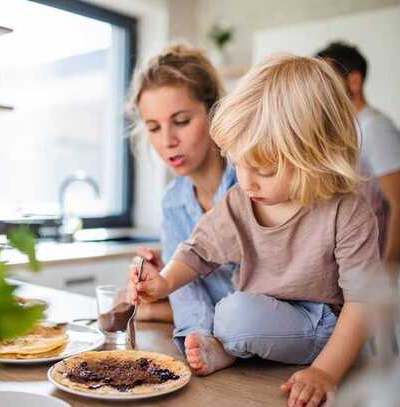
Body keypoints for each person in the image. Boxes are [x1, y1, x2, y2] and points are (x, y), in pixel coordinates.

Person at [129, 54, 383, 407]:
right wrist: (165, 282)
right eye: (239, 164)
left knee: (236, 315)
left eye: (262, 170)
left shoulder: (348, 212)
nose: (246, 182)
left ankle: (235, 348)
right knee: (235, 313)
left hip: (323, 327)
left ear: (314, 155)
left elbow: (363, 303)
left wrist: (325, 371)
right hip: (264, 320)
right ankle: (232, 350)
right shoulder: (241, 199)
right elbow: (198, 250)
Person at [127, 44, 237, 349]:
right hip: (223, 356)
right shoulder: (173, 202)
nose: (167, 141)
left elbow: (260, 309)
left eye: (181, 121)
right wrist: (159, 287)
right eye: (153, 127)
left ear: (214, 111)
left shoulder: (253, 182)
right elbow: (190, 298)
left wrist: (157, 310)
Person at [316, 42, 400, 263]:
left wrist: (387, 276)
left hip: (371, 269)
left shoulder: (376, 128)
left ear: (354, 81)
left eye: (328, 81)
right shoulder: (347, 130)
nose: (320, 90)